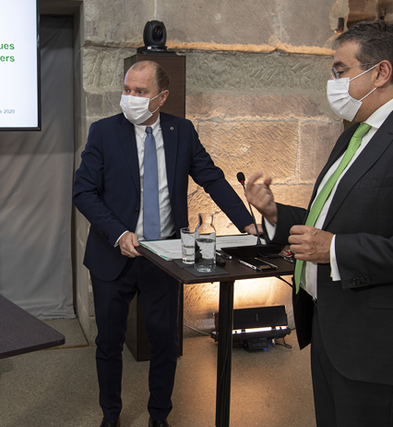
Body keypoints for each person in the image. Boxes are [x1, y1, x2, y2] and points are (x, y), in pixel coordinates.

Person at [245, 21, 393, 426]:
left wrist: (334, 250)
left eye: (340, 70)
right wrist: (274, 214)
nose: (332, 81)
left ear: (381, 72)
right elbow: (333, 222)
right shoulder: (355, 135)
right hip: (333, 329)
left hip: (381, 344)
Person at [73, 60, 258, 427]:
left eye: (140, 92)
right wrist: (119, 233)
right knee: (108, 343)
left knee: (165, 342)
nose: (130, 98)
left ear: (162, 97)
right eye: (127, 90)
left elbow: (212, 179)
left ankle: (160, 414)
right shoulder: (104, 132)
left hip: (165, 256)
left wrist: (249, 223)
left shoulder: (182, 132)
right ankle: (111, 415)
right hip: (114, 254)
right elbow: (84, 191)